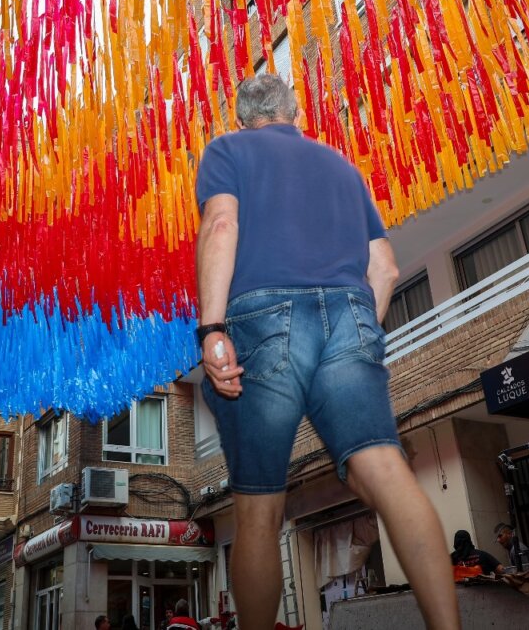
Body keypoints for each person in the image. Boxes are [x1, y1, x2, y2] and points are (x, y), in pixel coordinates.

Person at [195, 75, 460, 630]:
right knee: (387, 470)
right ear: (295, 108)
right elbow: (384, 267)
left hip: (264, 317)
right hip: (350, 312)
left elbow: (221, 223)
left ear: (243, 118)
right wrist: (359, 328)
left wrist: (212, 327)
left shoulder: (227, 150)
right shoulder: (342, 166)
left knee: (260, 508)